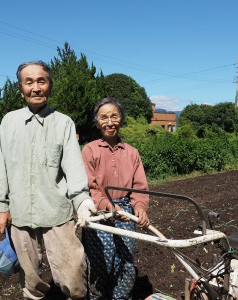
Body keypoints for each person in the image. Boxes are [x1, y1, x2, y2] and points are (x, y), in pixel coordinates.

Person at [0, 60, 97, 300]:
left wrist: (82, 201)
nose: (36, 87)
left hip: (57, 214)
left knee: (73, 277)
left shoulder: (64, 123)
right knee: (30, 279)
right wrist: (0, 207)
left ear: (49, 86)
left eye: (42, 81)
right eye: (29, 82)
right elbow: (2, 167)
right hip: (20, 215)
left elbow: (73, 166)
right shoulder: (9, 122)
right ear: (20, 88)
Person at [81, 97, 150, 300]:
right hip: (98, 213)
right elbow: (90, 187)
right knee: (99, 261)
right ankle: (97, 297)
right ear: (96, 122)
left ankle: (121, 297)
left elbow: (140, 186)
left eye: (114, 116)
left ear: (121, 119)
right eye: (104, 117)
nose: (109, 122)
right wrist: (108, 207)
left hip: (126, 212)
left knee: (125, 261)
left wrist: (140, 207)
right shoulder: (89, 150)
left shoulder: (132, 153)